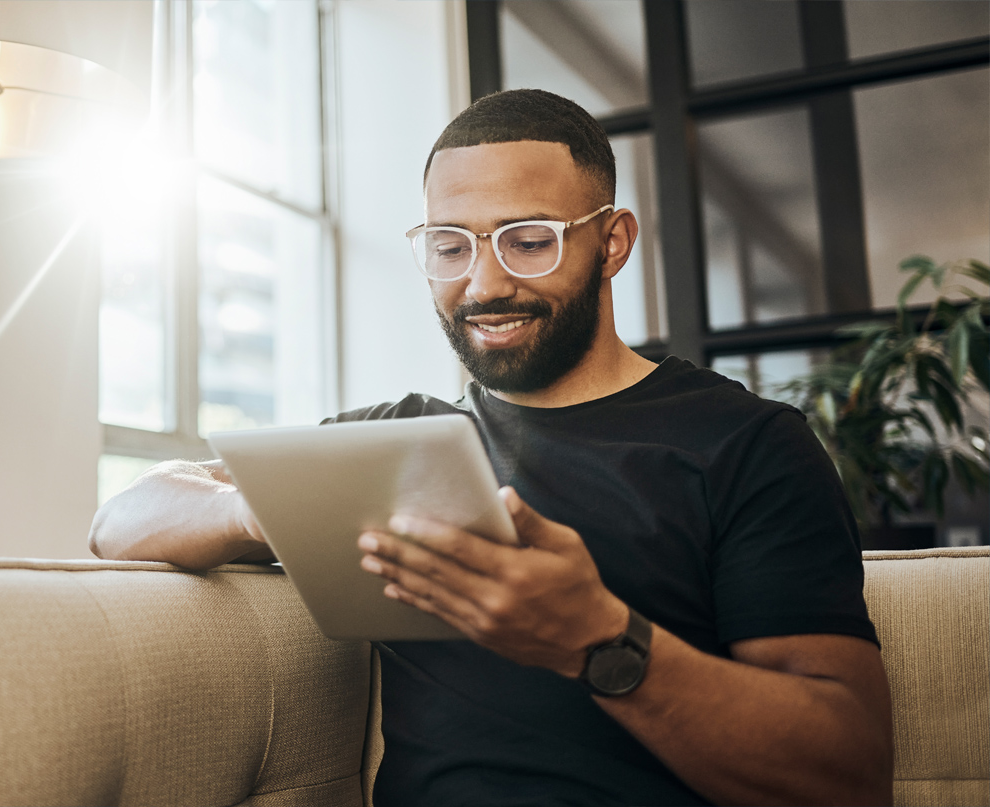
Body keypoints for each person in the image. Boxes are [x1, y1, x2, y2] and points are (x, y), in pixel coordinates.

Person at [90, 89, 893, 806]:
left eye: (528, 240)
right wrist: (269, 508)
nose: (482, 284)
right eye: (450, 246)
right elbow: (121, 521)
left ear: (612, 242)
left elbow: (848, 774)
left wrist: (599, 639)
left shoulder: (747, 444)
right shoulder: (392, 440)